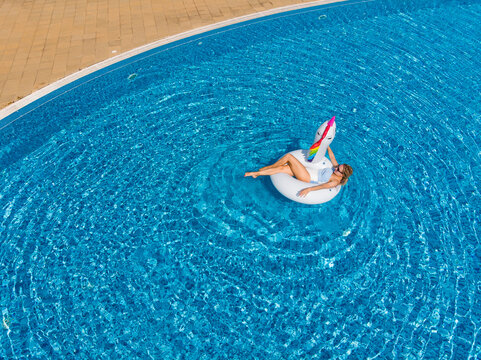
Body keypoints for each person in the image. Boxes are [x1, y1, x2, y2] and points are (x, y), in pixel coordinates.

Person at [244, 146, 353, 197]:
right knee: (281, 169)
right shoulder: (336, 170)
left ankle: (264, 169)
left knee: (289, 157)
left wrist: (308, 189)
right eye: (338, 166)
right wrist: (326, 143)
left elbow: (321, 187)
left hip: (307, 177)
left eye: (338, 169)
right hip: (307, 171)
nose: (336, 167)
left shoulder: (335, 181)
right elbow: (332, 157)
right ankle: (256, 174)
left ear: (342, 174)